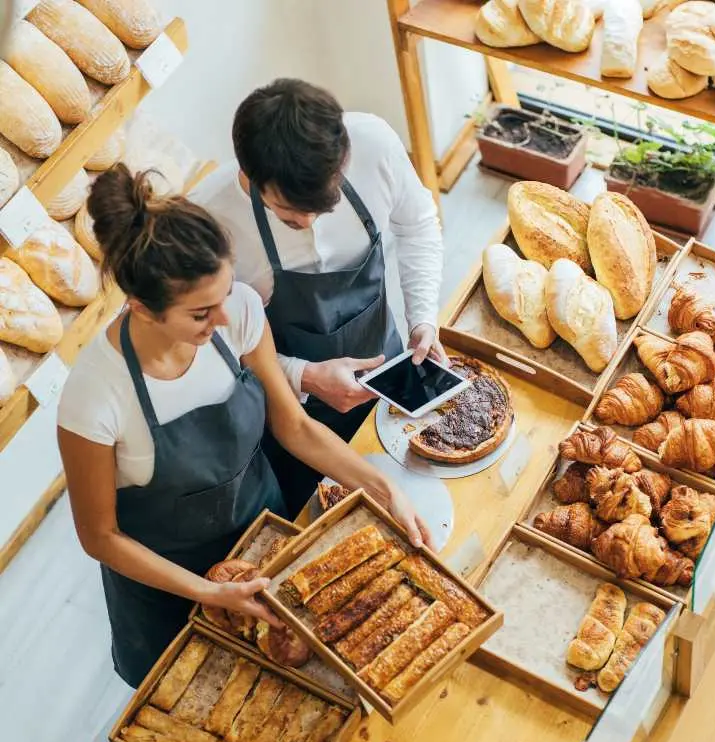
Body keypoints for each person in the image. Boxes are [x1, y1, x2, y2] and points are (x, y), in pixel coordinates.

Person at [57, 164, 431, 689]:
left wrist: (382, 487)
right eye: (201, 313)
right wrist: (208, 593)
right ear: (141, 307)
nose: (225, 320)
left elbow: (294, 428)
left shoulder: (240, 312)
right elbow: (100, 536)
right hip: (168, 590)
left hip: (264, 544)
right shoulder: (95, 396)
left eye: (226, 295)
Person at [189, 78, 445, 515]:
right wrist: (303, 375)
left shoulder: (374, 144)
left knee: (415, 494)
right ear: (250, 175)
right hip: (292, 417)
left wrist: (422, 317)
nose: (309, 223)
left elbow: (417, 224)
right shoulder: (209, 224)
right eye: (290, 213)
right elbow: (213, 351)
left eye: (321, 208)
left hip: (388, 376)